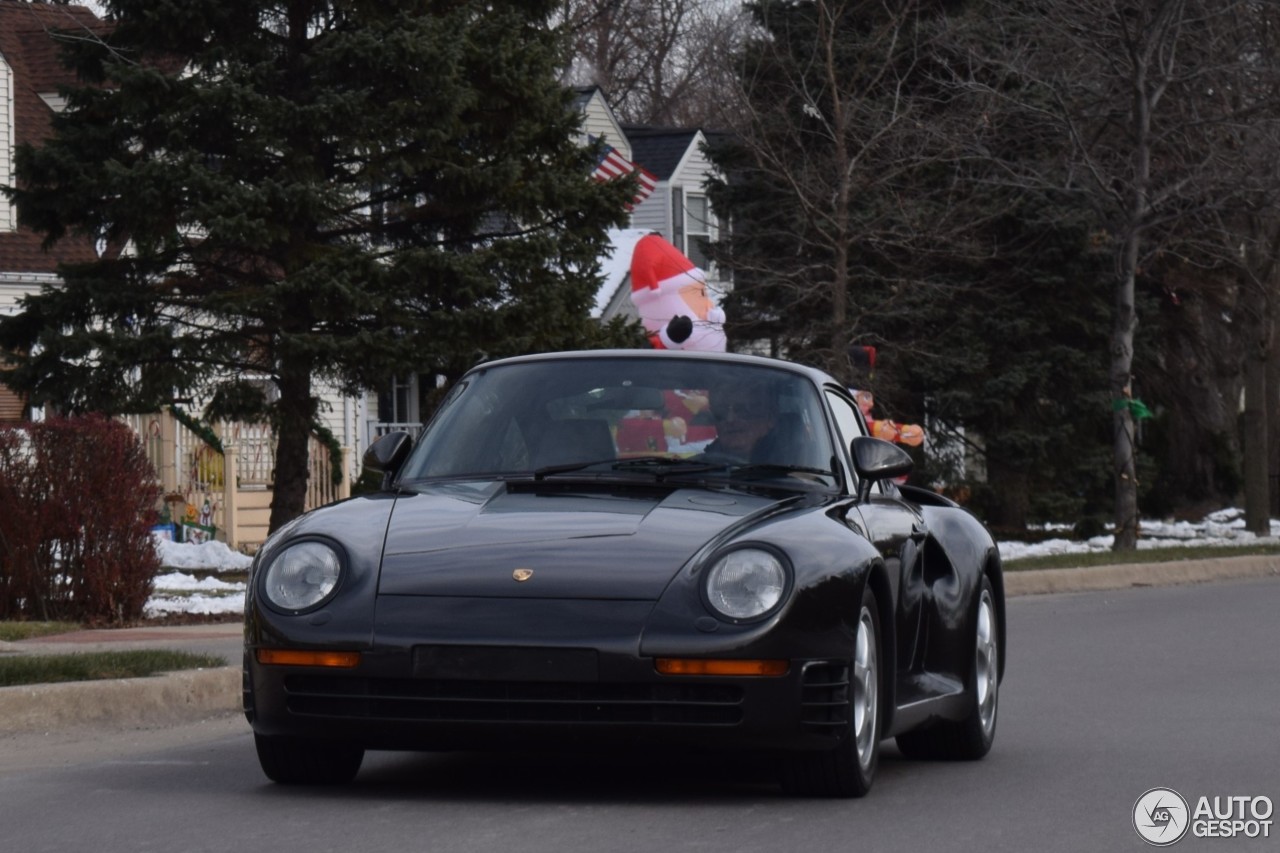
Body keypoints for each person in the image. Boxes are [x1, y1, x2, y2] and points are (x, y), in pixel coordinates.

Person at [703, 383, 778, 461]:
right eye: (721, 411)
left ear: (770, 418)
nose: (730, 419)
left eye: (743, 410)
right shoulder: (695, 466)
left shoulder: (787, 463)